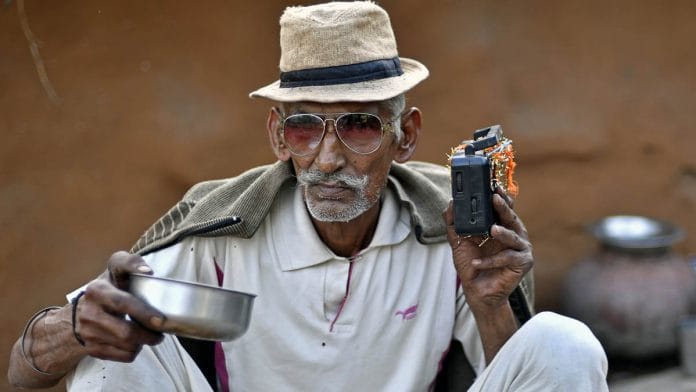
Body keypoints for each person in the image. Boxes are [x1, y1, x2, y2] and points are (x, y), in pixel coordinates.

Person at [8, 2, 609, 391]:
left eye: (359, 126)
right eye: (303, 128)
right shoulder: (220, 232)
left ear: (406, 136)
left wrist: (489, 304)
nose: (327, 159)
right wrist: (83, 325)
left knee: (563, 342)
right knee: (117, 355)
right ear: (277, 137)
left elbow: (516, 375)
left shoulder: (448, 232)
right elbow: (21, 368)